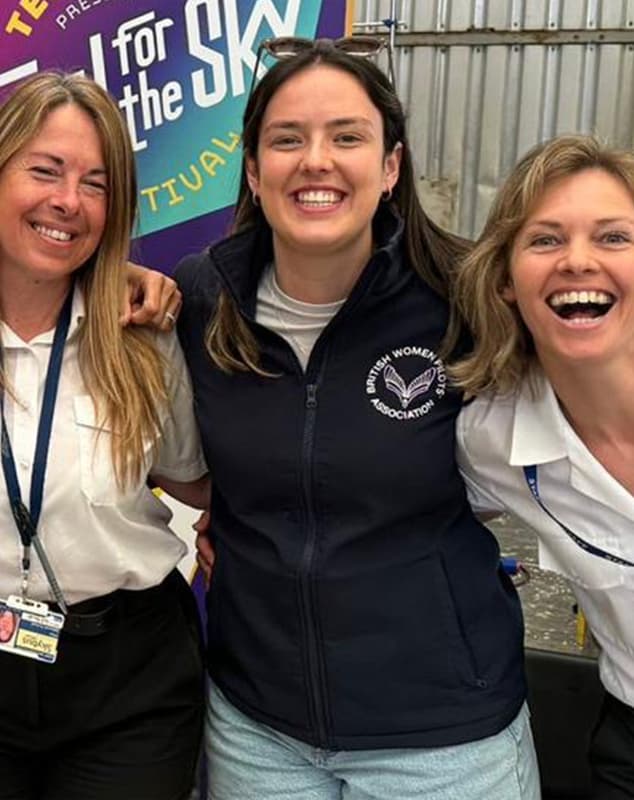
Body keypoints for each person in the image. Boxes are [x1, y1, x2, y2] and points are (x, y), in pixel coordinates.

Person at [167, 38, 540, 800]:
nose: (316, 161)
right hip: (258, 728)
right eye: (287, 139)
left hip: (444, 737)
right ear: (251, 168)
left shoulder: (466, 298)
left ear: (391, 167)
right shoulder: (200, 301)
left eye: (347, 136)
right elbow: (204, 476)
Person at [0, 71, 209, 800]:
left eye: (96, 183)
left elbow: (195, 479)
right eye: (45, 171)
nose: (67, 201)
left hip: (126, 680)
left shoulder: (142, 335)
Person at [454, 134, 634, 799]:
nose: (578, 261)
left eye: (614, 238)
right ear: (504, 280)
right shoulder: (491, 437)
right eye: (545, 240)